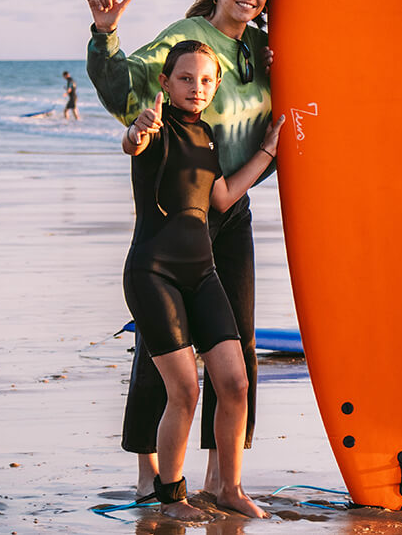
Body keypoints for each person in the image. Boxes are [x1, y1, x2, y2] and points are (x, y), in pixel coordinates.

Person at [76, 0, 277, 500]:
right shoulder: (186, 41)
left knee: (237, 342)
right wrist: (104, 35)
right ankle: (152, 477)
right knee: (164, 355)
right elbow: (125, 91)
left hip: (229, 203)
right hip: (179, 211)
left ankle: (222, 479)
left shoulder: (261, 51)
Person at [120, 41, 281, 519]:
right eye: (186, 78)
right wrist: (137, 128)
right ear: (165, 84)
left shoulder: (208, 136)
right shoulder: (155, 128)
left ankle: (228, 489)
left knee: (234, 382)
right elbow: (131, 141)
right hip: (153, 274)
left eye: (206, 80)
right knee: (185, 390)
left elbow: (225, 197)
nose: (197, 87)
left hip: (202, 272)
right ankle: (171, 497)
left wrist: (269, 149)